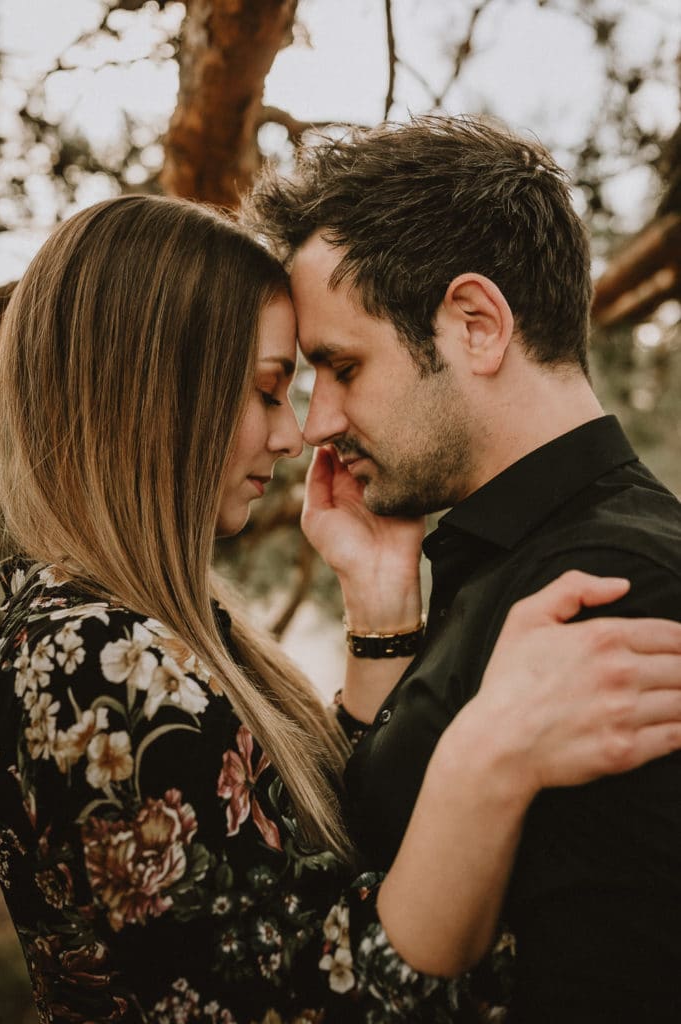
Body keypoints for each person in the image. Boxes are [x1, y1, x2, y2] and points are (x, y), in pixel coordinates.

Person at [0, 198, 679, 1024]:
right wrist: (487, 758)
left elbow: (326, 860)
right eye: (268, 390)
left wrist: (380, 615)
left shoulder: (138, 626)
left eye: (337, 371)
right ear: (152, 394)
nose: (299, 434)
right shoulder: (85, 653)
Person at [245, 115, 681, 1022]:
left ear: (475, 325)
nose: (316, 423)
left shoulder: (612, 590)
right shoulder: (497, 562)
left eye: (340, 366)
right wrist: (379, 613)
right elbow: (378, 855)